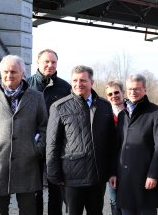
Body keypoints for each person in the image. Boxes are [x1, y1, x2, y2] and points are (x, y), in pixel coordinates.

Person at [0, 55, 48, 215]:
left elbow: (44, 127)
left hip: (27, 163)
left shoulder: (36, 97)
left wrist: (37, 150)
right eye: (5, 72)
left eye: (14, 72)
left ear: (22, 73)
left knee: (29, 210)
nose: (9, 76)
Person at [46, 65, 116, 215]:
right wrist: (54, 174)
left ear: (92, 82)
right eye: (75, 80)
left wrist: (112, 171)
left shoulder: (104, 106)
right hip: (72, 177)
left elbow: (111, 142)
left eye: (83, 80)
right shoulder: (59, 107)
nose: (78, 84)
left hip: (97, 176)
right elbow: (52, 143)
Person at [109, 74, 158, 215]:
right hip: (124, 179)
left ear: (144, 89)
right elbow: (117, 147)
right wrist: (113, 173)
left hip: (145, 177)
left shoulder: (156, 113)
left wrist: (153, 174)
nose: (133, 92)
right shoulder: (123, 115)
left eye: (137, 89)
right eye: (130, 89)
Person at [26, 49, 71, 215]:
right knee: (34, 189)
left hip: (57, 145)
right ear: (38, 62)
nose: (50, 65)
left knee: (56, 188)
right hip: (33, 144)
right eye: (46, 61)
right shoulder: (26, 85)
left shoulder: (65, 87)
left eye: (53, 62)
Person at [104, 80, 126, 215]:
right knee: (114, 200)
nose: (114, 96)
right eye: (110, 94)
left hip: (131, 163)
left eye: (117, 92)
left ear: (123, 93)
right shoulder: (104, 114)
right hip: (111, 165)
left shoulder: (132, 110)